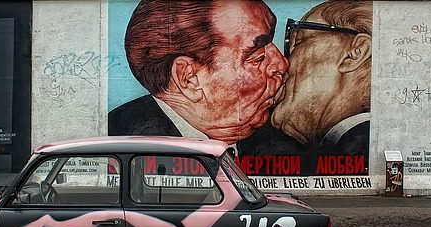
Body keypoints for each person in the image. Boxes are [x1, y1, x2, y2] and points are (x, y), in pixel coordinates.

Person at [108, 0, 288, 146]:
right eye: (257, 58)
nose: (281, 64)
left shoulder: (282, 145)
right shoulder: (119, 141)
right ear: (188, 78)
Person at [270, 0, 372, 155]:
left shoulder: (360, 146)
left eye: (298, 41)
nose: (283, 63)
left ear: (355, 53)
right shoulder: (346, 144)